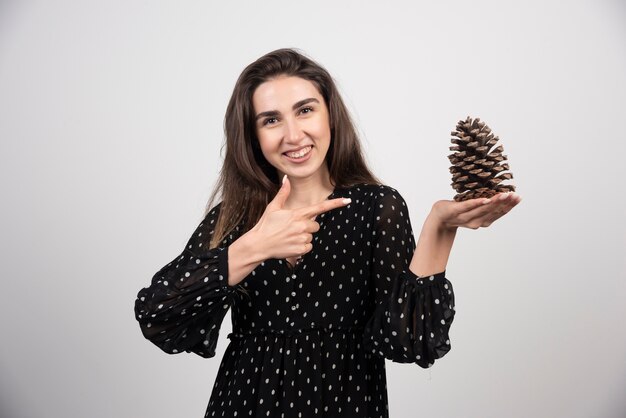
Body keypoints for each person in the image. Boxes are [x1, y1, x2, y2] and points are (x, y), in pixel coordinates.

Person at [134, 48, 521, 418]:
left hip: (344, 404)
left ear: (329, 116)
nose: (293, 134)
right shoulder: (235, 216)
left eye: (305, 110)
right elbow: (159, 317)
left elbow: (408, 342)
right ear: (252, 136)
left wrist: (441, 226)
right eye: (270, 120)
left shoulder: (376, 208)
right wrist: (252, 246)